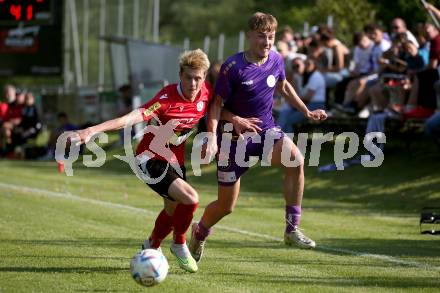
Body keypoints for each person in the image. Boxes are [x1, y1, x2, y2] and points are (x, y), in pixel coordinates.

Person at [189, 12, 327, 263]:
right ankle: (199, 232)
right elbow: (215, 106)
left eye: (271, 37)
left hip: (265, 131)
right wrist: (216, 135)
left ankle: (291, 229)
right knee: (225, 206)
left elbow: (283, 87)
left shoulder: (276, 59)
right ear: (249, 36)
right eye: (262, 36)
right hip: (233, 140)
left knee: (295, 161)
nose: (267, 42)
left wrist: (306, 111)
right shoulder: (233, 68)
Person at [73, 49, 218, 273]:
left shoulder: (206, 93)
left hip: (174, 160)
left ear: (204, 77)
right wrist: (92, 130)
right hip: (149, 158)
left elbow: (217, 109)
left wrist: (214, 135)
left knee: (172, 209)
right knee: (190, 199)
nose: (193, 83)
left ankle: (152, 245)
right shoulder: (165, 99)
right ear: (180, 74)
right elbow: (129, 118)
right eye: (188, 77)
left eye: (198, 78)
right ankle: (179, 243)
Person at [277, 58, 326, 133]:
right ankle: (279, 139)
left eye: (297, 65)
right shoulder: (300, 77)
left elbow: (307, 97)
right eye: (293, 67)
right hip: (306, 104)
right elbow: (294, 94)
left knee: (289, 120)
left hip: (315, 105)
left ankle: (287, 142)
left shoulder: (315, 76)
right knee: (285, 112)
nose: (295, 68)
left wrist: (293, 102)